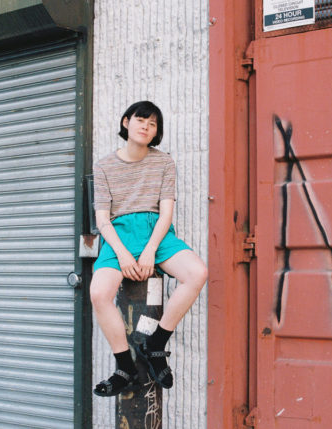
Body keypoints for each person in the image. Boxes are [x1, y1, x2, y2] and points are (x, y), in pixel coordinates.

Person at [90, 100, 208, 397]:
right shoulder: (103, 166)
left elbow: (166, 213)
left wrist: (150, 250)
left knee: (197, 273)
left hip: (157, 231)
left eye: (152, 123)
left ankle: (155, 344)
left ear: (157, 132)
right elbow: (102, 219)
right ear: (126, 122)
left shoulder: (164, 162)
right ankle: (124, 367)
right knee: (99, 293)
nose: (145, 126)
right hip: (119, 234)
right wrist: (122, 253)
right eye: (141, 119)